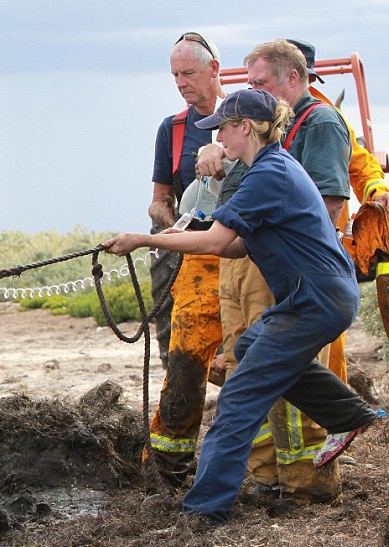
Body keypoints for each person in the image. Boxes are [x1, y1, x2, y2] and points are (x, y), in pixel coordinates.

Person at [103, 88, 382, 522]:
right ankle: (350, 414)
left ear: (245, 128)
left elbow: (215, 240)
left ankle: (204, 510)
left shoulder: (268, 174)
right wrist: (162, 238)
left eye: (223, 130)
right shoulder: (265, 171)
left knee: (237, 398)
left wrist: (143, 239)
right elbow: (232, 248)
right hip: (311, 295)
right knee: (251, 349)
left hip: (316, 298)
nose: (217, 140)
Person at [214, 39, 389, 504]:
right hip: (265, 263)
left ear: (292, 79)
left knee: (269, 377)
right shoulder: (273, 137)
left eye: (261, 83)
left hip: (301, 275)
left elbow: (332, 199)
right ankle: (282, 463)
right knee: (250, 354)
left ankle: (306, 482)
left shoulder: (320, 122)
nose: (256, 91)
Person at [144, 32, 226, 492]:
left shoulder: (248, 116)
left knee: (244, 354)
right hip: (186, 253)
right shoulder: (172, 130)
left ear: (215, 69)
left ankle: (250, 457)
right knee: (179, 359)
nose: (181, 83)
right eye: (175, 75)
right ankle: (170, 468)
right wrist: (171, 225)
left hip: (237, 253)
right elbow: (158, 200)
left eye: (188, 73)